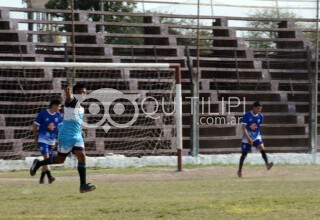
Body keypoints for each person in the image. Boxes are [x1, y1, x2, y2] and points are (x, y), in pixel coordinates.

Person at [30, 83, 96, 193]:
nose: (84, 94)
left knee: (82, 156)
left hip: (77, 136)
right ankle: (39, 163)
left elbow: (75, 121)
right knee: (60, 160)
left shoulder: (80, 106)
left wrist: (80, 130)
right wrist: (68, 92)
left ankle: (83, 185)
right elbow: (69, 97)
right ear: (76, 93)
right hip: (65, 136)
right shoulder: (72, 101)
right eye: (82, 92)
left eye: (85, 92)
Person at [237, 101, 273, 178]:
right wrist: (248, 138)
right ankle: (239, 170)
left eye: (260, 109)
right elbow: (243, 128)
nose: (259, 110)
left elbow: (257, 128)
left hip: (256, 136)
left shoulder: (261, 116)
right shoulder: (247, 115)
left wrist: (255, 138)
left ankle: (267, 164)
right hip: (247, 136)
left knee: (261, 147)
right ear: (254, 107)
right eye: (258, 108)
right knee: (244, 154)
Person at [33, 99, 62, 184]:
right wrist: (35, 138)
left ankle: (42, 179)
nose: (59, 108)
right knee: (47, 158)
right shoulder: (43, 113)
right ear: (54, 105)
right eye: (59, 106)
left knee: (47, 160)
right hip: (43, 139)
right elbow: (35, 126)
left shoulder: (58, 115)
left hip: (52, 140)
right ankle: (49, 176)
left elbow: (60, 128)